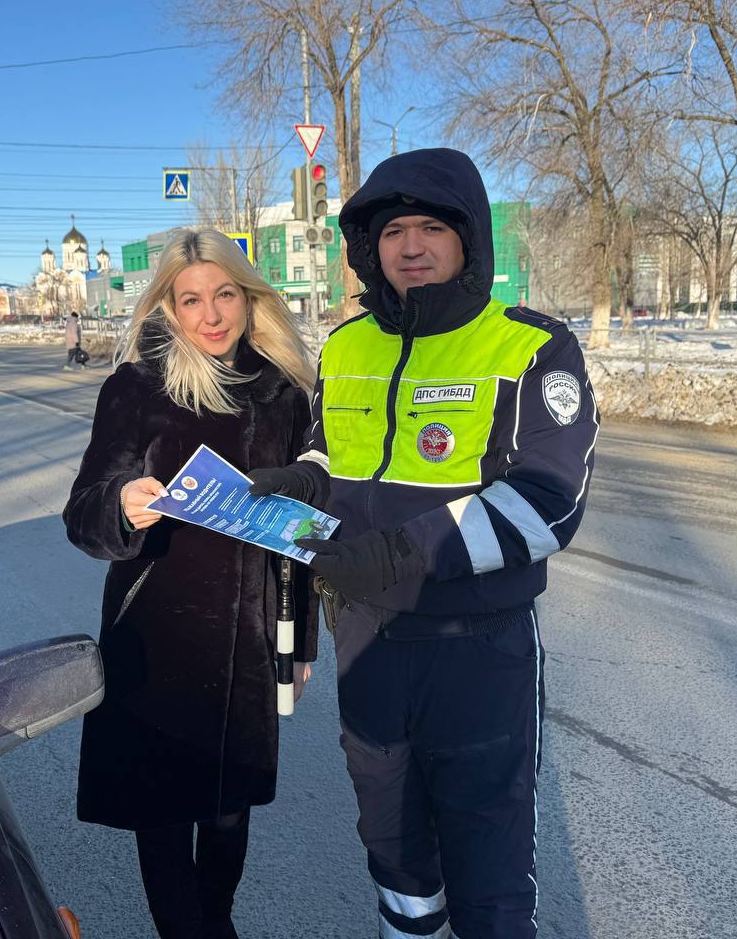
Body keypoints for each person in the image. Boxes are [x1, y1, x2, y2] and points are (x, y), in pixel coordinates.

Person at [249, 148, 599, 939]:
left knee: (489, 860)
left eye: (432, 228)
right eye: (392, 231)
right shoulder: (347, 346)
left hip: (477, 649)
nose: (410, 246)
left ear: (468, 238)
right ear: (368, 247)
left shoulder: (530, 347)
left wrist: (395, 555)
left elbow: (547, 504)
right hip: (368, 643)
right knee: (393, 845)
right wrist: (299, 480)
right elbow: (333, 454)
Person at [62, 228, 318, 939]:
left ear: (249, 297)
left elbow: (299, 534)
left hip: (250, 638)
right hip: (159, 637)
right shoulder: (138, 389)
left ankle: (217, 921)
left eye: (225, 294)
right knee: (166, 815)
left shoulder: (284, 394)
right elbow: (83, 514)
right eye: (192, 300)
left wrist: (298, 646)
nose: (211, 315)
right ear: (169, 307)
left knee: (231, 813)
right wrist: (121, 505)